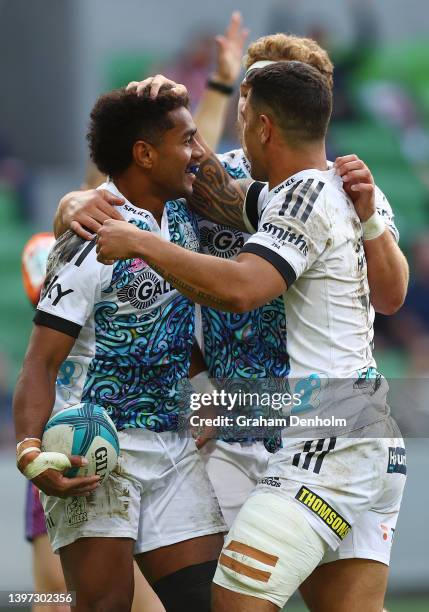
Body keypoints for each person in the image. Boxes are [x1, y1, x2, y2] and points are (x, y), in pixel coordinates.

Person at [94, 62, 407, 612]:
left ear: (263, 126)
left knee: (233, 602)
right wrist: (82, 197)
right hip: (356, 430)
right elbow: (198, 180)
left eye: (242, 115)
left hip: (325, 440)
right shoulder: (303, 189)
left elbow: (243, 288)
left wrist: (143, 245)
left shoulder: (311, 194)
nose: (237, 130)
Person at [14, 85, 226, 612]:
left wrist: (210, 394)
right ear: (145, 154)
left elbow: (170, 334)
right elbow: (41, 360)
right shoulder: (90, 237)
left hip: (173, 447)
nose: (199, 151)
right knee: (104, 604)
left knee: (206, 601)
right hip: (96, 446)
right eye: (187, 139)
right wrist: (28, 450)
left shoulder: (184, 215)